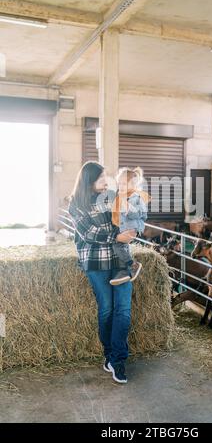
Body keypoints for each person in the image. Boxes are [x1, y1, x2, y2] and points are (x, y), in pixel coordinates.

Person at [68, 161, 135, 384]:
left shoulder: (112, 196)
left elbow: (123, 220)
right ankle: (109, 353)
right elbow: (89, 233)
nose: (105, 181)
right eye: (100, 178)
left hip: (121, 261)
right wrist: (116, 235)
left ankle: (118, 360)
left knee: (123, 310)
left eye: (106, 176)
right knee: (106, 309)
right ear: (89, 181)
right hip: (96, 263)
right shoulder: (76, 205)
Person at [107, 166, 150, 286]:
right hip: (125, 227)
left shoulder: (135, 197)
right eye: (119, 183)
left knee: (117, 246)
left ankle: (132, 265)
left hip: (131, 227)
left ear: (134, 185)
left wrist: (129, 209)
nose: (121, 186)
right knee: (122, 246)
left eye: (124, 184)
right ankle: (125, 270)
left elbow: (140, 214)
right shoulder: (122, 196)